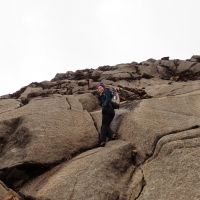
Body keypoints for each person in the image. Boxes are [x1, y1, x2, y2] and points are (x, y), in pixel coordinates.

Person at [97, 83, 115, 147]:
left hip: (107, 110)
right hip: (110, 111)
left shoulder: (106, 91)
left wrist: (104, 105)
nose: (99, 89)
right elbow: (100, 103)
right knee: (106, 125)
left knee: (104, 126)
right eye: (98, 88)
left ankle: (102, 141)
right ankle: (112, 135)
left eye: (101, 87)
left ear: (103, 88)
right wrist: (100, 96)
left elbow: (108, 99)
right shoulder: (100, 95)